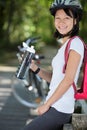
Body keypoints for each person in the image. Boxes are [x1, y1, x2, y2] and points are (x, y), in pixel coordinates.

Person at [22, 0, 84, 130]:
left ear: (75, 20)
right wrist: (34, 67)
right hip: (55, 106)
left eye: (67, 18)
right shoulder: (65, 45)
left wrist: (46, 105)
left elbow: (68, 80)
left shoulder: (76, 44)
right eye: (58, 18)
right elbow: (56, 78)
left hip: (60, 109)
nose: (61, 22)